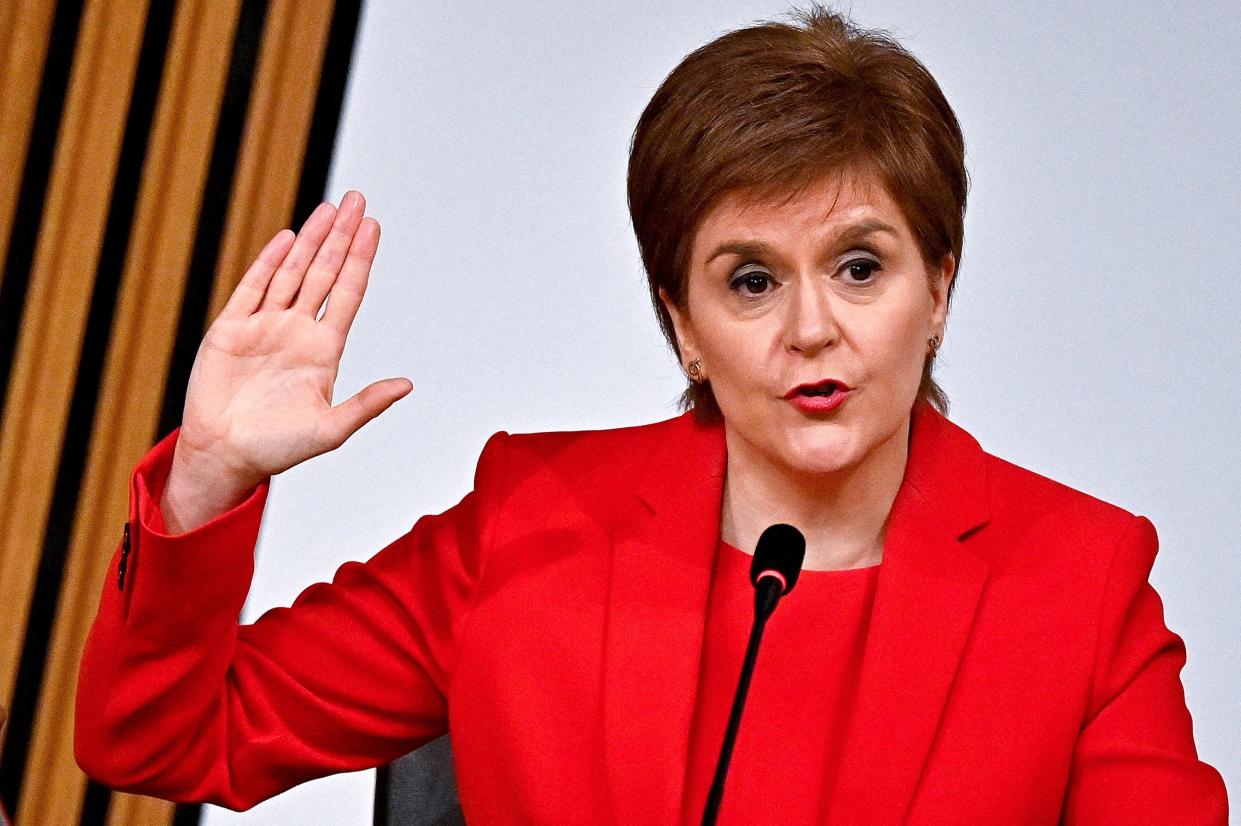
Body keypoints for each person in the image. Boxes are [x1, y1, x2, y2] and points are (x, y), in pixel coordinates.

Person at [74, 6, 1228, 824]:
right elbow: (166, 736)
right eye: (749, 280)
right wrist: (210, 480)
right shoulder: (534, 522)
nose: (810, 329)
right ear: (681, 319)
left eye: (860, 267)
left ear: (940, 285)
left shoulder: (1079, 584)